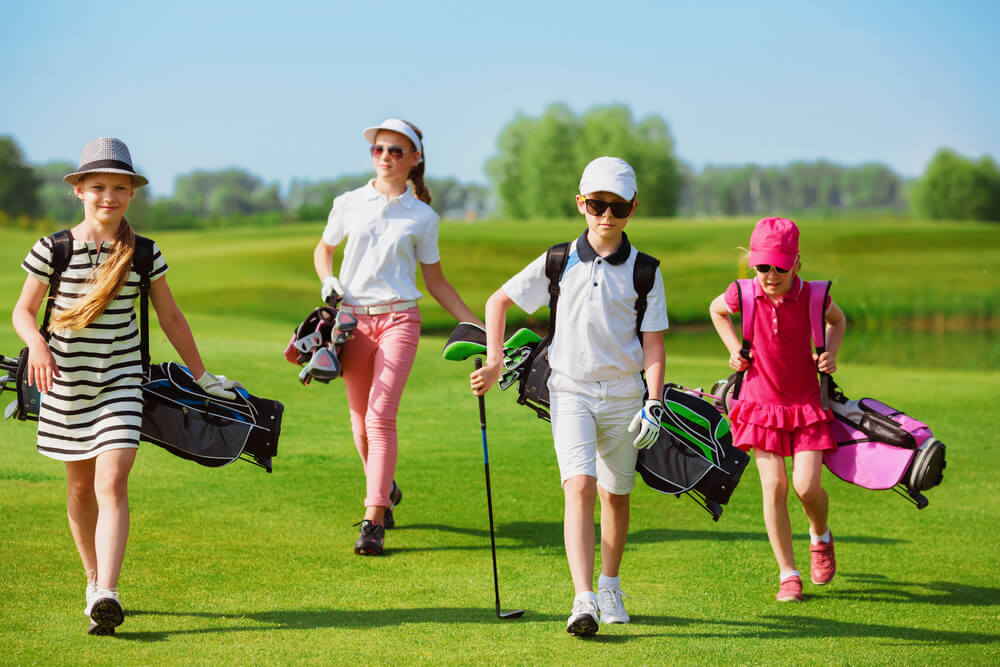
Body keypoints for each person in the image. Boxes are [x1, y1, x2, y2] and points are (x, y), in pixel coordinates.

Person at [12, 137, 241, 635]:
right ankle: (92, 580)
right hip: (65, 386)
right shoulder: (54, 248)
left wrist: (202, 376)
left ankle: (109, 594)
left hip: (121, 384)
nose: (108, 197)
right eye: (98, 187)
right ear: (79, 190)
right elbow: (23, 311)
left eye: (119, 188)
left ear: (132, 194)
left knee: (111, 480)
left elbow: (172, 317)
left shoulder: (145, 253)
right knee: (78, 488)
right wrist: (39, 345)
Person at [470, 157, 668, 636]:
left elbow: (654, 343)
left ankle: (610, 584)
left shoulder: (645, 271)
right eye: (597, 205)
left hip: (625, 394)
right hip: (570, 389)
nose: (606, 216)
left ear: (632, 209)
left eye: (617, 207)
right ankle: (583, 600)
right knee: (578, 487)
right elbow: (498, 301)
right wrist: (495, 359)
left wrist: (654, 401)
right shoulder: (560, 260)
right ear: (581, 204)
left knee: (615, 496)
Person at [313, 118, 482, 556]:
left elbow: (436, 282)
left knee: (379, 415)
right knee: (359, 425)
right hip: (350, 322)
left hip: (399, 320)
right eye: (378, 150)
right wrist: (327, 278)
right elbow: (324, 248)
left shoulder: (423, 217)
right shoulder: (349, 202)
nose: (385, 157)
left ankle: (373, 519)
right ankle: (385, 487)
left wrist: (475, 324)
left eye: (395, 151)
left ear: (414, 159)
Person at [708, 217, 846, 602]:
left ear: (797, 262)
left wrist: (829, 354)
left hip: (805, 406)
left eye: (780, 267)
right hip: (759, 406)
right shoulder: (742, 293)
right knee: (775, 486)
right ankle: (789, 573)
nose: (771, 274)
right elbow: (716, 310)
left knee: (805, 485)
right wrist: (733, 349)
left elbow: (838, 321)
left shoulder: (815, 296)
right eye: (763, 265)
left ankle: (820, 535)